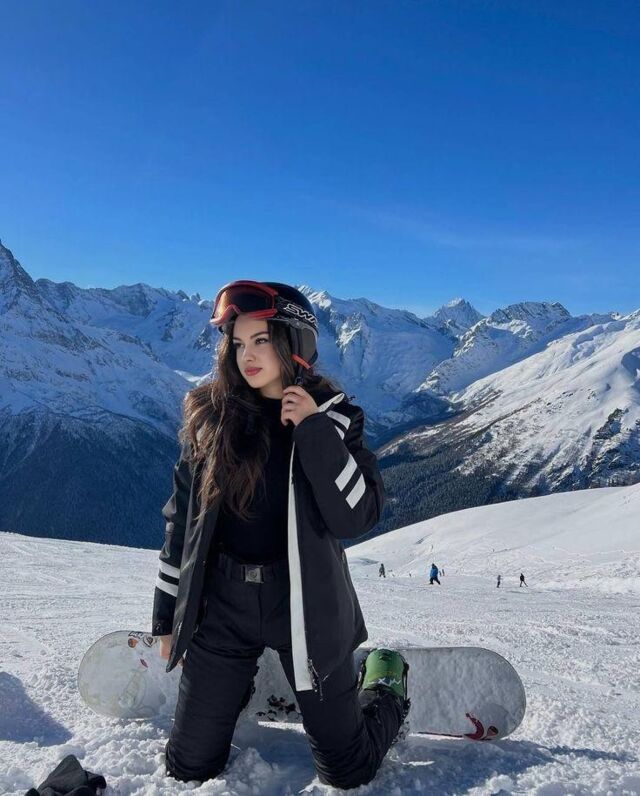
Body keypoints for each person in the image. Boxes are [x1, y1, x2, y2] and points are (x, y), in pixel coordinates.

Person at [151, 280, 409, 788]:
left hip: (304, 608)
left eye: (261, 340)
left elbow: (357, 517)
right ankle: (235, 687)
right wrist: (166, 617)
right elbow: (180, 525)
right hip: (222, 608)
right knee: (188, 767)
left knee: (348, 770)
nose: (246, 356)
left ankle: (386, 681)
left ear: (294, 344)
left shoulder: (335, 418)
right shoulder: (212, 419)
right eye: (238, 343)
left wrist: (314, 432)